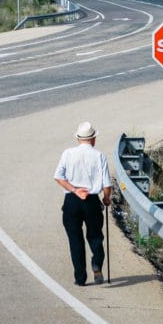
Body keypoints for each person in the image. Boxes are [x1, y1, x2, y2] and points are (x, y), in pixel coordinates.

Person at [54, 121, 112, 286]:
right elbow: (107, 185)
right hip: (91, 200)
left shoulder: (67, 153)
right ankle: (97, 264)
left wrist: (74, 189)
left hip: (72, 200)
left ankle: (80, 278)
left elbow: (58, 176)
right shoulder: (99, 155)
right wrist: (106, 199)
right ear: (93, 139)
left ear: (78, 139)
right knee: (95, 236)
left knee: (75, 239)